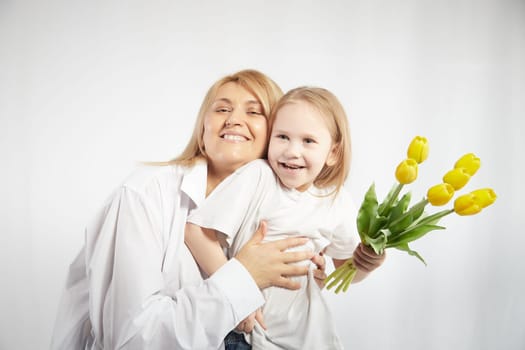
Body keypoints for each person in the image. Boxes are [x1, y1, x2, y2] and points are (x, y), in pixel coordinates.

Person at [50, 70, 328, 350]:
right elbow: (130, 338)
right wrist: (242, 278)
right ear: (202, 129)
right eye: (221, 109)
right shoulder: (143, 195)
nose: (233, 119)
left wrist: (311, 279)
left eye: (254, 112)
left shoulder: (280, 212)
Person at [185, 87, 386, 350]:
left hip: (312, 338)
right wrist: (236, 294)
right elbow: (196, 233)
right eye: (282, 137)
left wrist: (366, 263)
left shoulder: (336, 201)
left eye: (308, 141)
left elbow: (347, 271)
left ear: (332, 153)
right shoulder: (259, 177)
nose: (292, 151)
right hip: (249, 335)